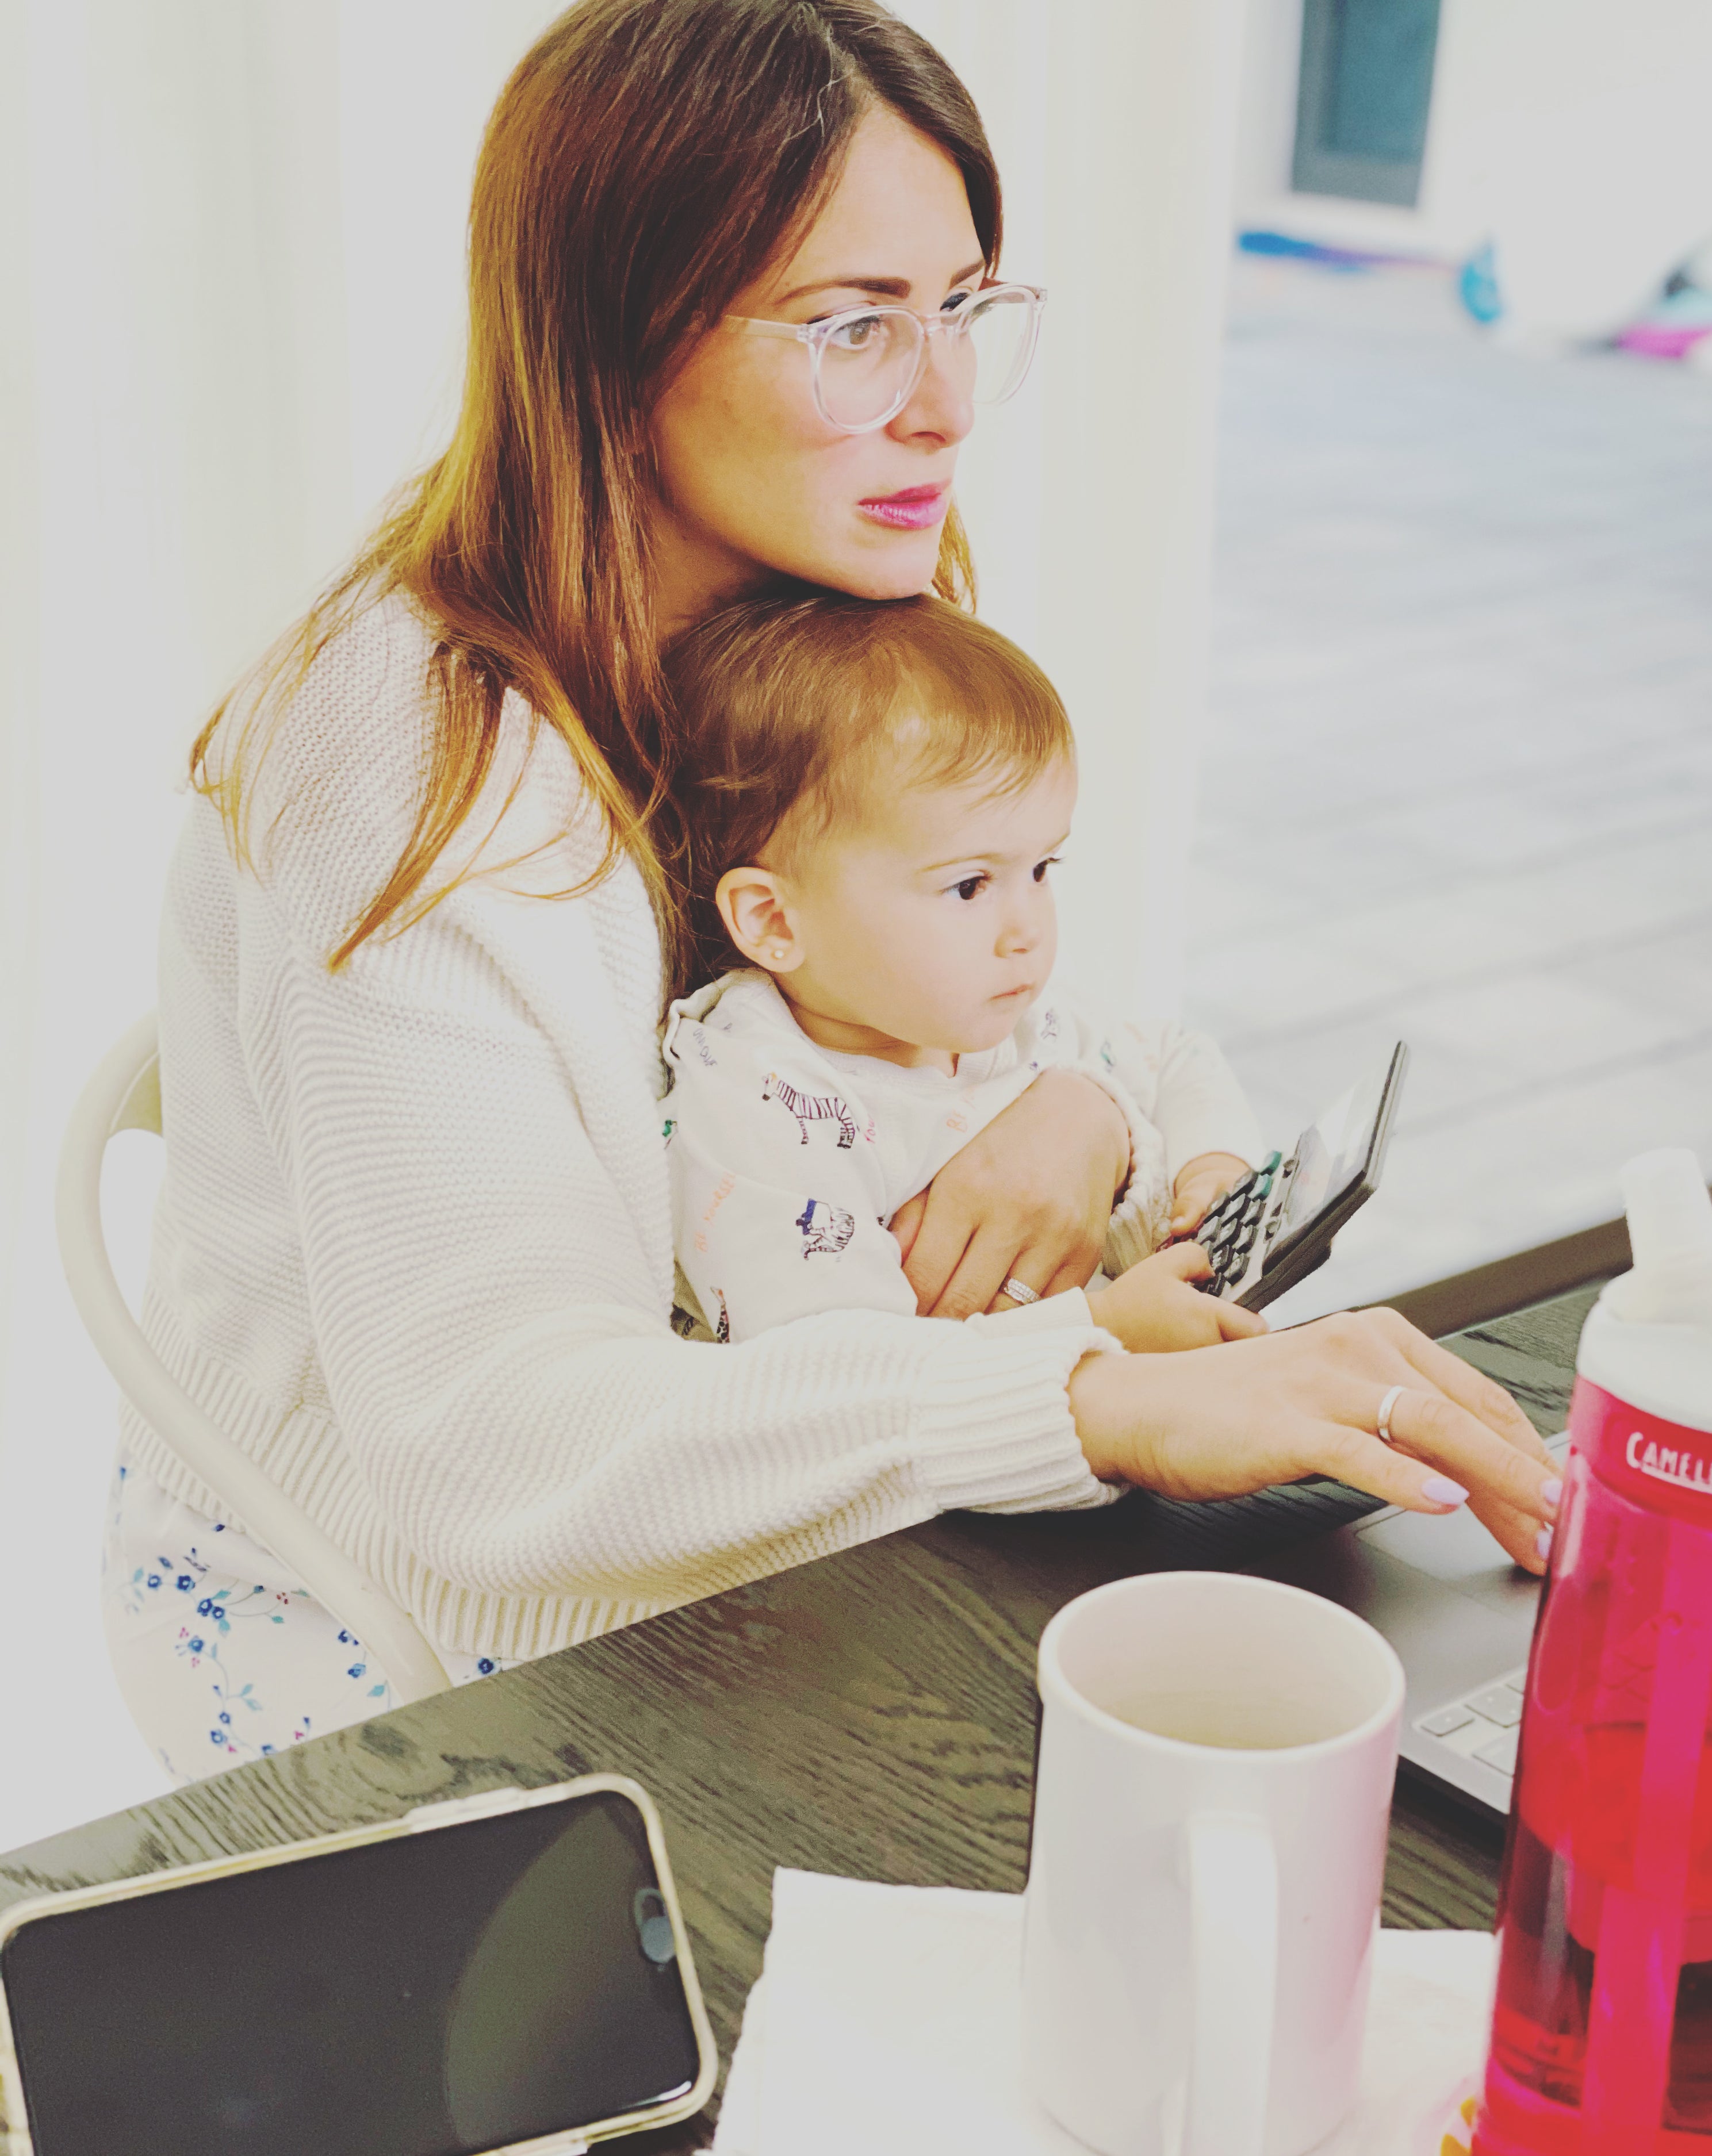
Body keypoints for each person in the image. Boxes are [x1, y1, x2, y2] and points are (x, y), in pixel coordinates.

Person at [100, 0, 1559, 1782]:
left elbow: (1015, 999)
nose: (941, 401)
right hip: (399, 1642)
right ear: (616, 331)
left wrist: (1081, 1110)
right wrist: (1086, 1381)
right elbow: (497, 1444)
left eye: (961, 306)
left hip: (736, 1524)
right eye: (856, 325)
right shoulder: (400, 763)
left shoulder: (802, 621)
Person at [659, 588, 1272, 1355]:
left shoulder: (1001, 1017)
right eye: (970, 885)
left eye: (1043, 868)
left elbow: (1175, 1059)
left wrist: (1213, 1166)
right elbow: (835, 1380)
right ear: (774, 921)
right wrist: (1099, 1327)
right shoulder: (757, 1108)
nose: (1028, 930)